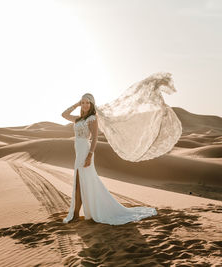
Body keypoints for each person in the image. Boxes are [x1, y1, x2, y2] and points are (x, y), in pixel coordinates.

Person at [61, 72, 182, 225]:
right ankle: (76, 213)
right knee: (79, 182)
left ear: (92, 105)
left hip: (85, 152)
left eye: (87, 103)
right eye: (83, 102)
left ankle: (78, 214)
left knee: (84, 181)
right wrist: (76, 104)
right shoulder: (78, 119)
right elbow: (63, 114)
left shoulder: (92, 118)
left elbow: (95, 138)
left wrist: (90, 155)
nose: (85, 105)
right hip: (78, 153)